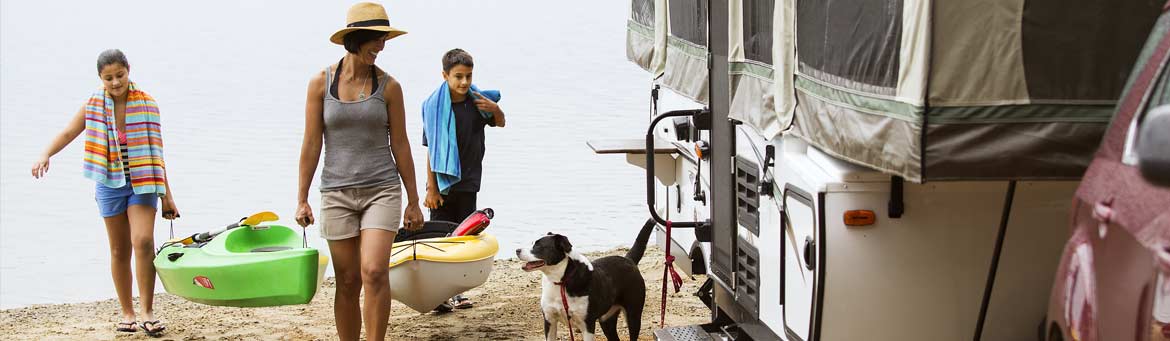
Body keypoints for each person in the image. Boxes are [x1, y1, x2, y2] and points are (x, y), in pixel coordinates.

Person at [295, 3, 424, 341]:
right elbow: (311, 144)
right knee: (348, 280)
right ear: (355, 39)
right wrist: (301, 198)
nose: (381, 47)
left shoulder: (390, 87)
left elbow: (401, 145)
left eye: (384, 40)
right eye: (375, 39)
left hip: (381, 189)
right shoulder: (320, 84)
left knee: (374, 271)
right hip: (336, 193)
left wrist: (413, 200)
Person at [30, 49, 178, 336]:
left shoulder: (147, 104)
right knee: (119, 249)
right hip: (109, 182)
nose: (115, 82)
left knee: (144, 241)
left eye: (119, 75)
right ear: (100, 78)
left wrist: (167, 196)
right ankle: (127, 312)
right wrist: (45, 154)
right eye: (108, 78)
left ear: (128, 70)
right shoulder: (93, 105)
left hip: (143, 180)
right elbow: (68, 133)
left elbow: (157, 153)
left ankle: (147, 311)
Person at [420, 48, 506, 311]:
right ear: (445, 75)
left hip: (468, 181)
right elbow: (431, 150)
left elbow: (500, 123)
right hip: (443, 185)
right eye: (458, 76)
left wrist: (495, 109)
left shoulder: (477, 103)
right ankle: (438, 296)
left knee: (465, 238)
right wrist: (431, 187)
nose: (464, 82)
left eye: (468, 76)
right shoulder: (433, 107)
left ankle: (459, 293)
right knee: (441, 241)